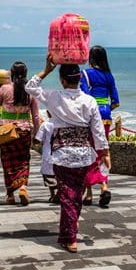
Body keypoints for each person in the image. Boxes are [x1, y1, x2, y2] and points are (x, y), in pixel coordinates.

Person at [26, 54, 110, 253]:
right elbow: (97, 130)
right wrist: (105, 152)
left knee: (67, 195)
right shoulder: (89, 101)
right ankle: (70, 229)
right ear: (80, 78)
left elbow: (30, 87)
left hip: (62, 154)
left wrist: (47, 69)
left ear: (62, 80)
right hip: (83, 155)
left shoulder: (55, 97)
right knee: (76, 195)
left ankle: (69, 236)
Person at [0, 61, 41, 205]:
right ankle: (23, 187)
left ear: (12, 74)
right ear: (25, 74)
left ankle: (10, 195)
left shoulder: (5, 88)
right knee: (24, 160)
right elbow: (36, 117)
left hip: (6, 130)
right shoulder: (31, 91)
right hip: (24, 130)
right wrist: (36, 135)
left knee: (7, 161)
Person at [80, 45, 120, 207]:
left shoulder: (85, 74)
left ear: (91, 58)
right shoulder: (109, 76)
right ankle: (104, 186)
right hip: (106, 117)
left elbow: (84, 97)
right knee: (102, 151)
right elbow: (116, 102)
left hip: (91, 118)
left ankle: (88, 193)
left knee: (88, 153)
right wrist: (105, 109)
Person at [34, 111, 58, 203]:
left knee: (48, 176)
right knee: (60, 176)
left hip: (48, 154)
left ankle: (52, 195)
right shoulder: (63, 124)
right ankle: (59, 192)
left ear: (48, 113)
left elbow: (38, 139)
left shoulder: (45, 124)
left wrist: (35, 142)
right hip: (60, 154)